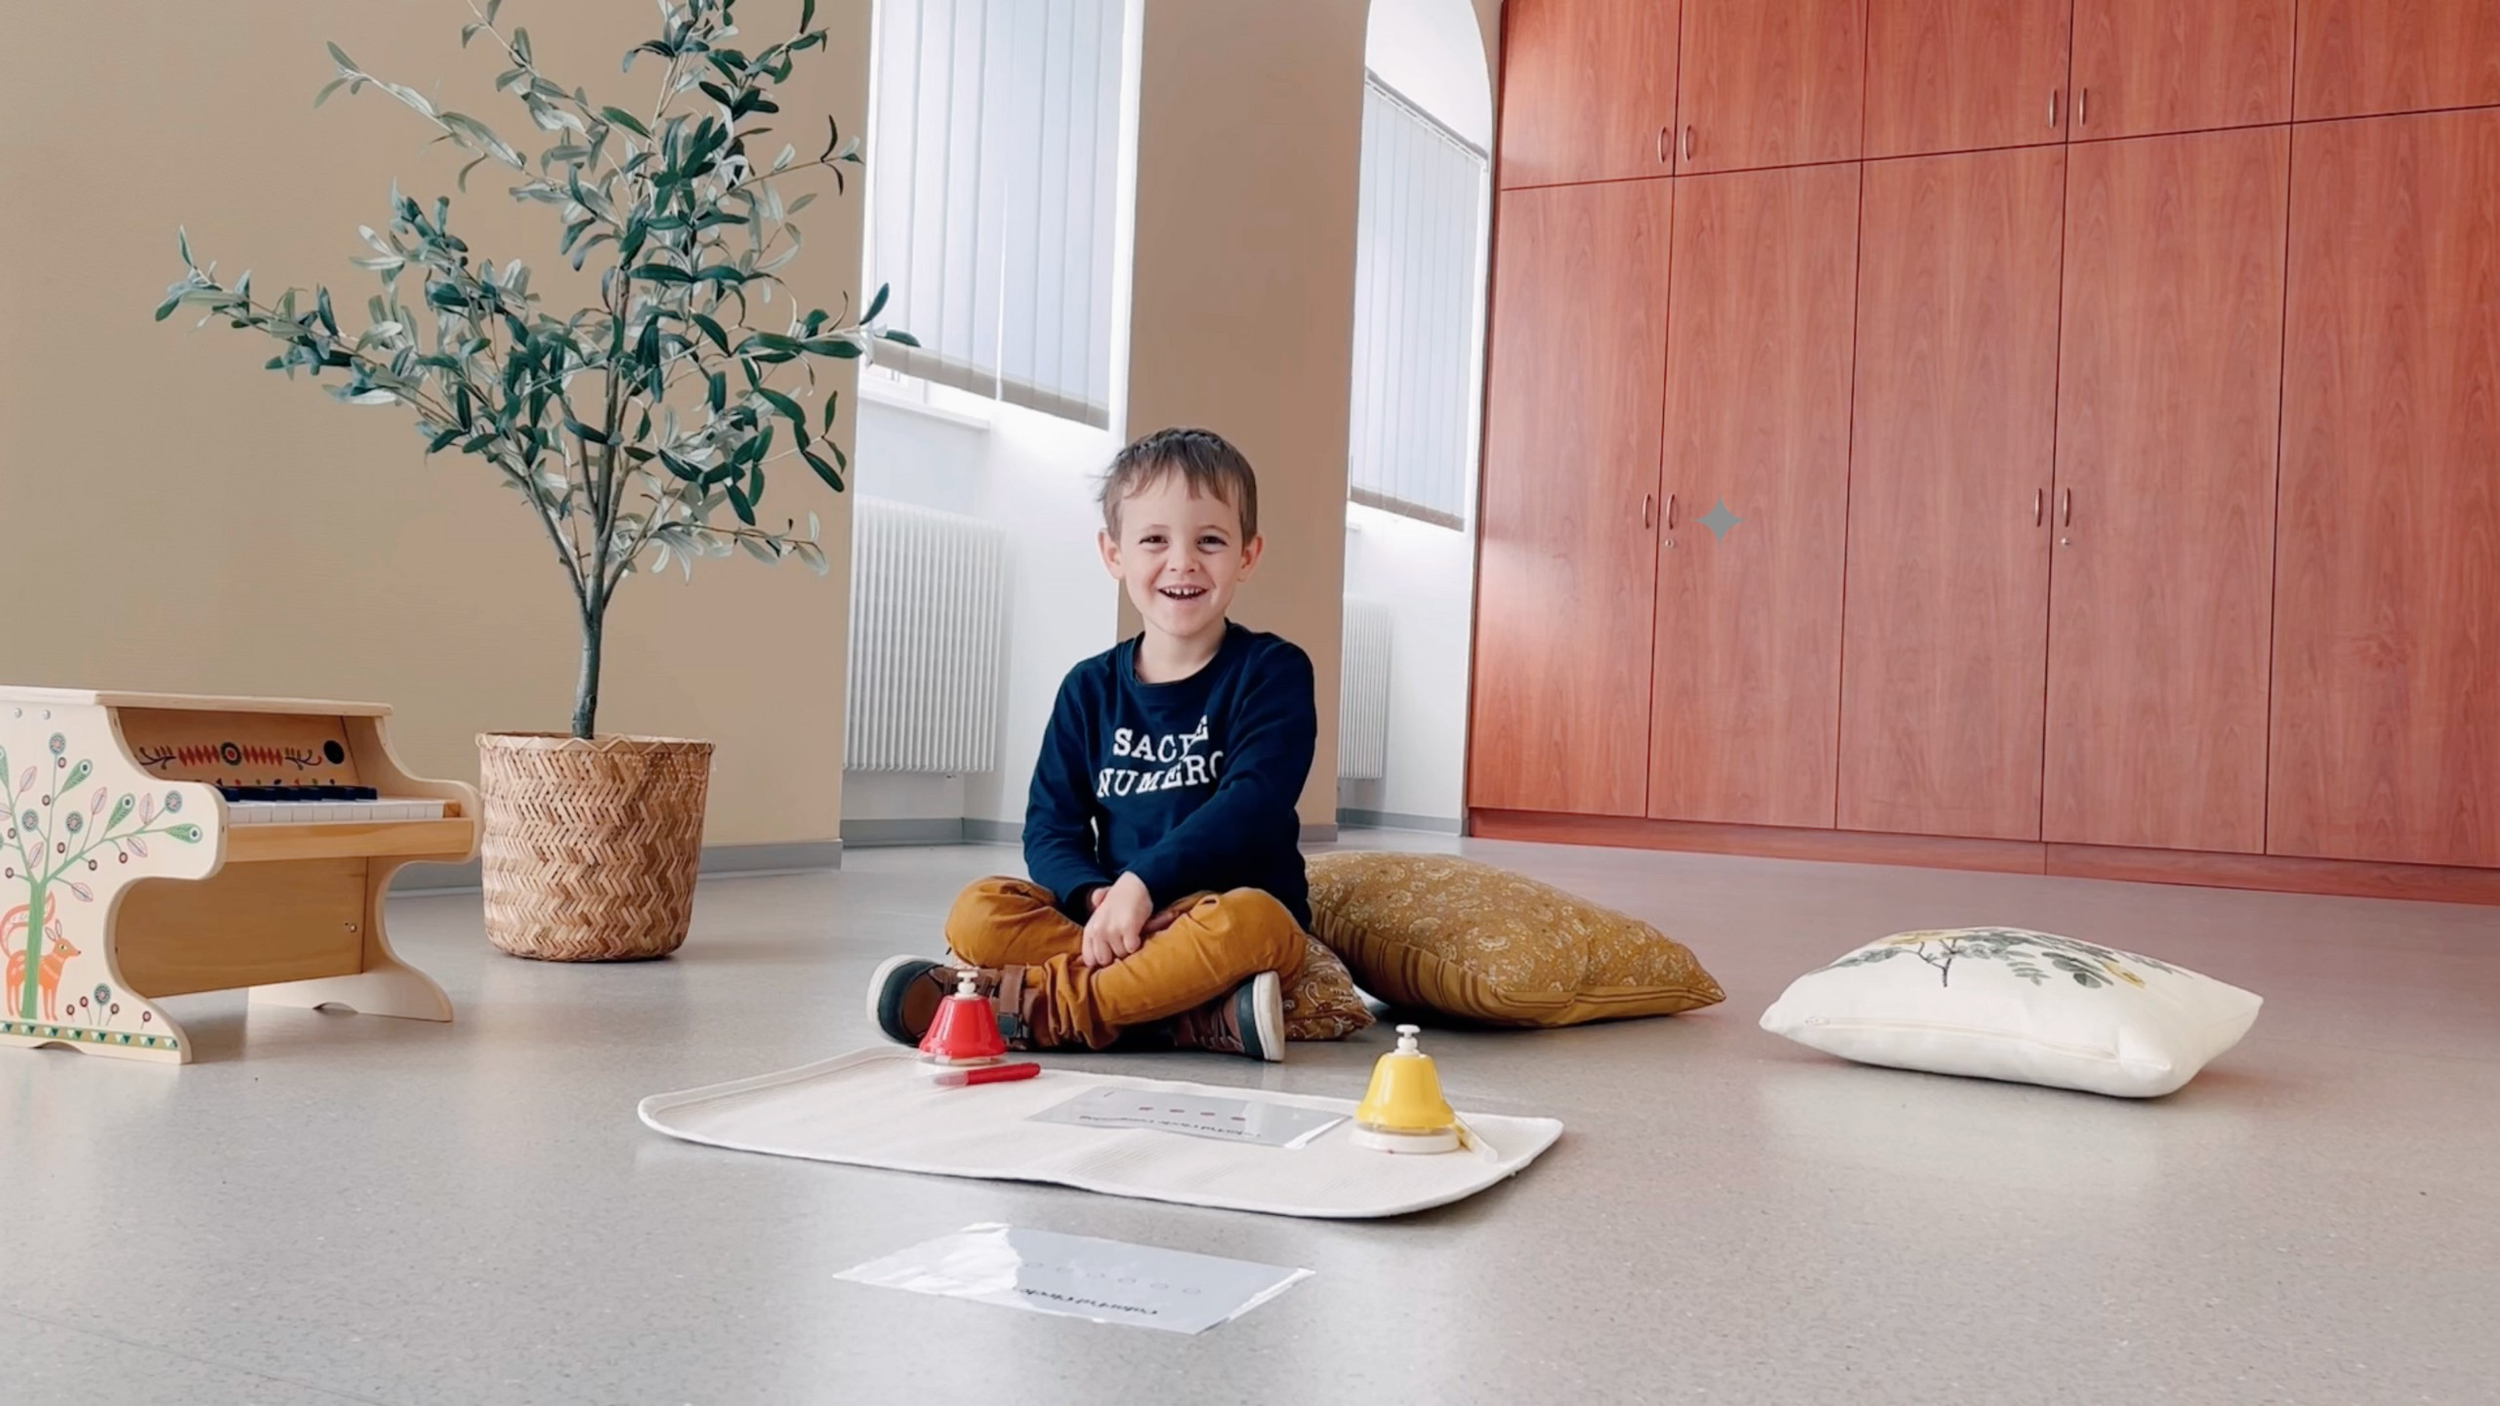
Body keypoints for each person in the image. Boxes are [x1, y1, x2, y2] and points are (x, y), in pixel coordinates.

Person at [867, 427, 1316, 1061]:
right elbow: (1051, 830)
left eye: (1210, 540)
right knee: (978, 911)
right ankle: (1178, 1017)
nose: (1183, 561)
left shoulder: (1274, 670)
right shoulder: (1088, 688)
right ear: (1114, 554)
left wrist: (1144, 883)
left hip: (1215, 914)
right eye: (1154, 540)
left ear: (1247, 555)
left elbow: (1256, 802)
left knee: (1258, 924)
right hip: (1111, 923)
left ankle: (1029, 1009)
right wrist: (1097, 895)